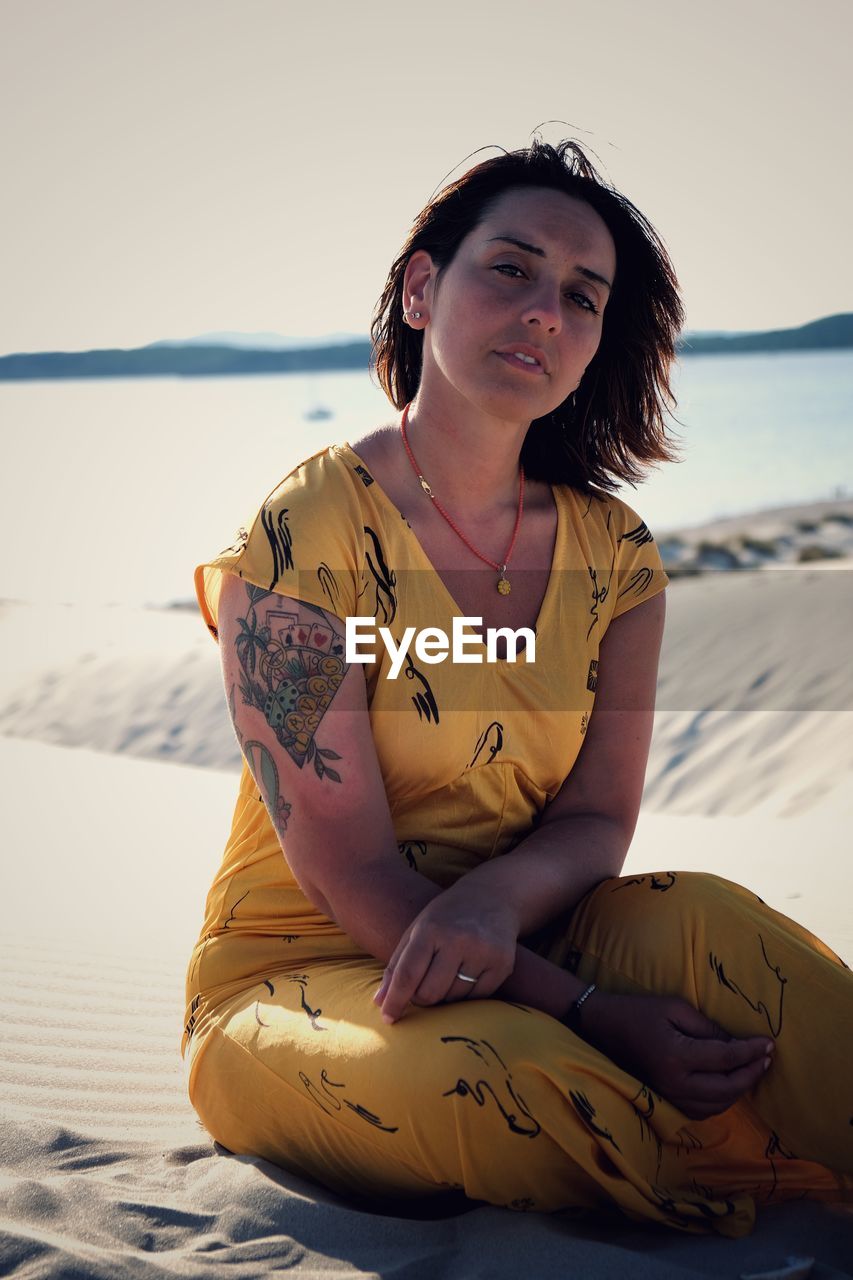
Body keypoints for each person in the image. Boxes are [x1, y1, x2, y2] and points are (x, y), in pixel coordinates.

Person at [181, 138, 852, 1236]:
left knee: (740, 943)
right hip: (310, 974)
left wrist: (501, 907)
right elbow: (347, 867)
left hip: (536, 927)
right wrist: (591, 1009)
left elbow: (596, 816)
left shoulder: (617, 555)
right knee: (504, 1072)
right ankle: (747, 1176)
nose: (545, 310)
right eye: (511, 267)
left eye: (582, 296)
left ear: (595, 347)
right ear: (418, 288)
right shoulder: (305, 533)